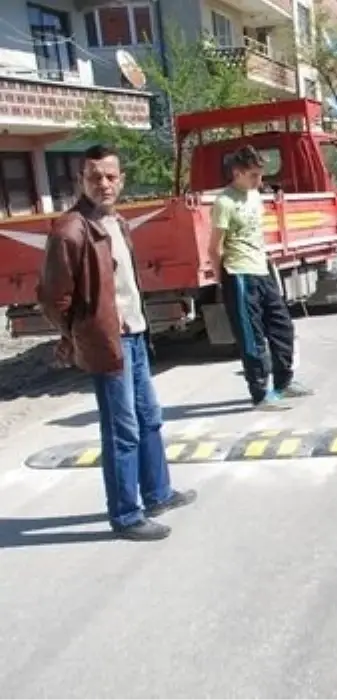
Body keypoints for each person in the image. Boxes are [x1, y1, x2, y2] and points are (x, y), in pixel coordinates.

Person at [38, 144, 197, 541]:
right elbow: (53, 298)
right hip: (109, 343)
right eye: (95, 176)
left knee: (149, 418)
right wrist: (77, 334)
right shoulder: (70, 229)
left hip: (136, 335)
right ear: (81, 181)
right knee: (121, 429)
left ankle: (157, 492)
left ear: (121, 180)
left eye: (110, 177)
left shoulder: (117, 223)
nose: (103, 183)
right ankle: (126, 515)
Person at [210, 145, 312, 409]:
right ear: (237, 173)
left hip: (262, 270)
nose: (259, 180)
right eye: (253, 175)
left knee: (283, 327)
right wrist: (221, 277)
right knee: (252, 337)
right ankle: (259, 393)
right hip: (239, 274)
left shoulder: (255, 196)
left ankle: (284, 382)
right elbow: (215, 246)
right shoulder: (225, 202)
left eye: (260, 174)